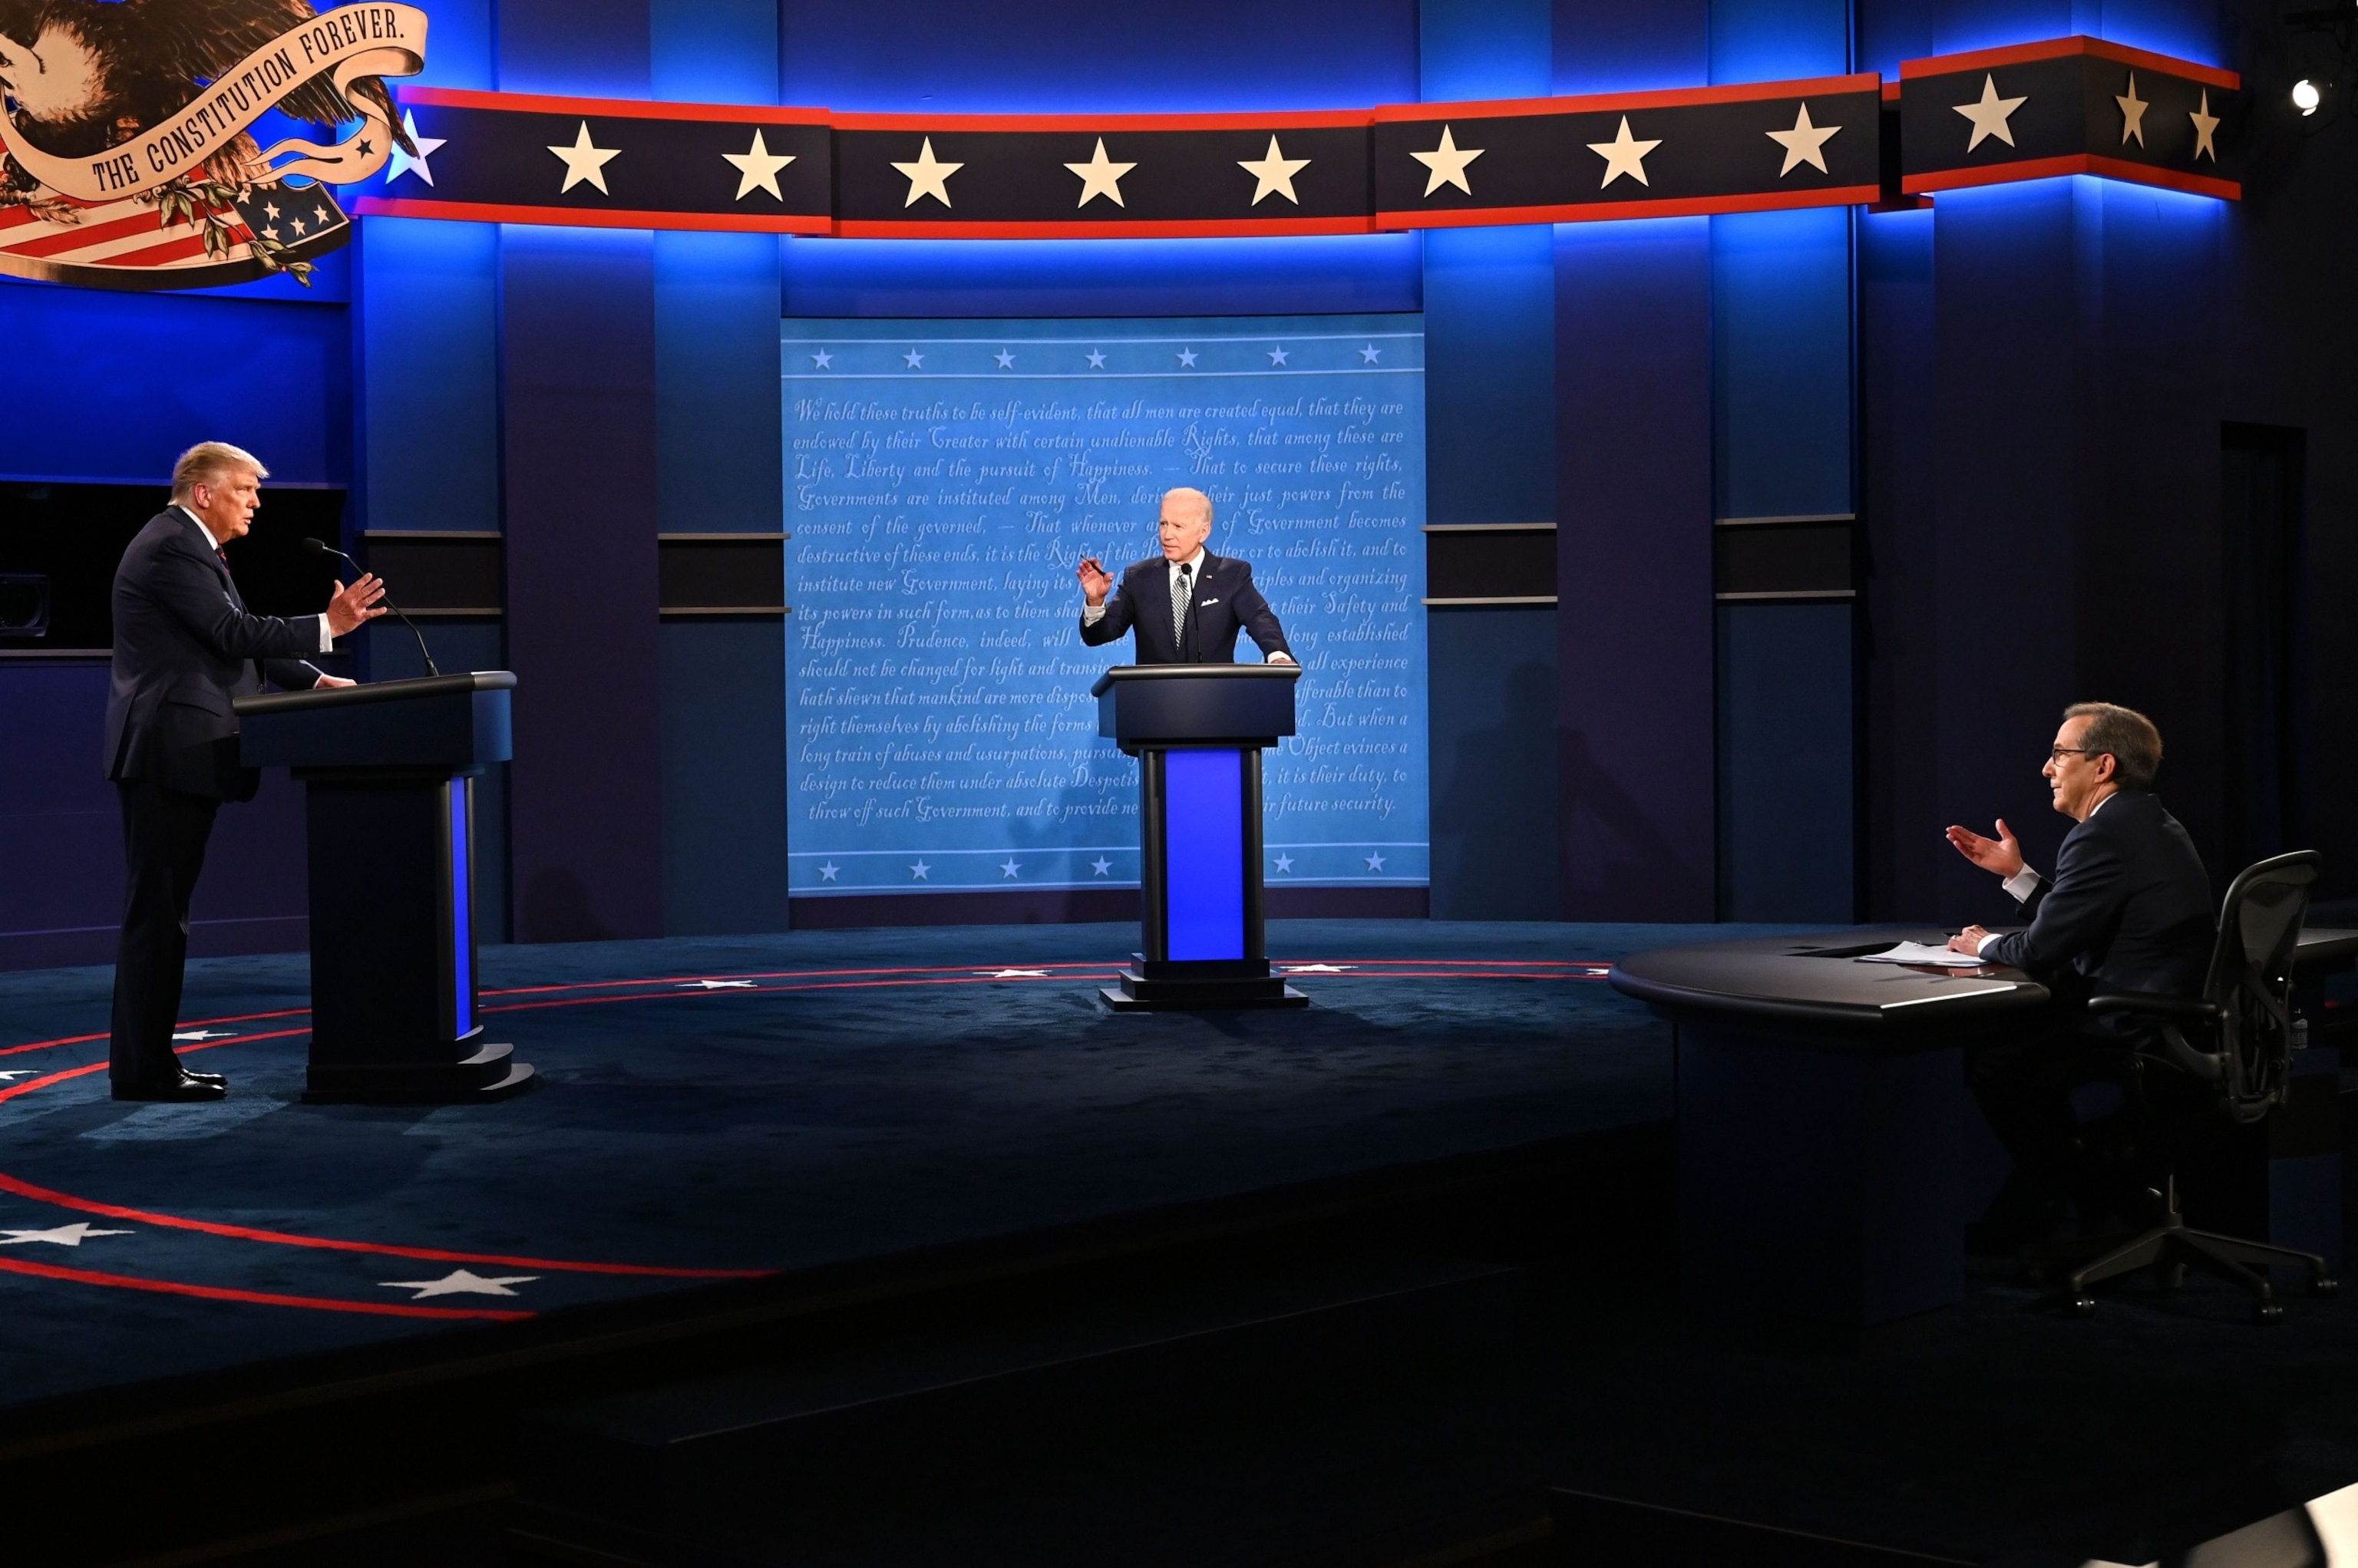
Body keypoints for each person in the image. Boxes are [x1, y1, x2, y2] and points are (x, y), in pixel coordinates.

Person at [104, 442, 386, 1102]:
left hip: (175, 752)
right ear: (204, 492)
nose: (255, 503)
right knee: (158, 913)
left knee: (165, 911)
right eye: (245, 490)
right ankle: (144, 1069)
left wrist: (315, 680)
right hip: (166, 752)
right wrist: (328, 624)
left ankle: (150, 1062)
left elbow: (227, 645)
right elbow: (234, 634)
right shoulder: (173, 545)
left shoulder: (192, 546)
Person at [1943, 701, 2215, 1248]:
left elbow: (2044, 947)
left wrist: (1983, 943)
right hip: (2175, 1019)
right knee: (2020, 1060)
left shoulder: (2103, 834)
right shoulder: (2144, 819)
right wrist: (2018, 875)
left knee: (1998, 1067)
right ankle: (2089, 1204)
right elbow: (2083, 920)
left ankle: (2106, 1201)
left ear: (2103, 765)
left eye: (2059, 753)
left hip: (2133, 1022)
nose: (2047, 768)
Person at [1075, 487, 1295, 665]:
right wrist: (1095, 601)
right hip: (1151, 706)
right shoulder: (1139, 577)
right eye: (1163, 524)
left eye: (1178, 526)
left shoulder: (1232, 575)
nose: (1167, 535)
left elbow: (1261, 619)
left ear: (1204, 532)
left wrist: (1278, 656)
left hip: (1216, 704)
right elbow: (1099, 635)